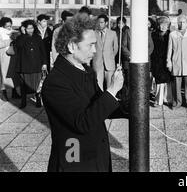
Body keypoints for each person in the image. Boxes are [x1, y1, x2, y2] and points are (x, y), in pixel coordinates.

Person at [42, 13, 126, 172]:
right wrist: (112, 89)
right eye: (90, 45)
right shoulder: (55, 83)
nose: (95, 50)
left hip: (96, 155)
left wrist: (130, 105)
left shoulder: (86, 71)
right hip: (75, 161)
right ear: (72, 46)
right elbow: (82, 122)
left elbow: (99, 107)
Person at [15, 20, 48, 108]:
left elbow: (43, 51)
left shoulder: (38, 37)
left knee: (37, 83)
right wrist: (23, 34)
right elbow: (19, 46)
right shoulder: (20, 38)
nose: (30, 30)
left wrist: (44, 63)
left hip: (36, 64)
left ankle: (38, 99)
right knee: (24, 84)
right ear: (24, 29)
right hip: (24, 65)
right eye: (28, 28)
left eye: (32, 28)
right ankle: (23, 101)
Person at [167, 15, 187, 108]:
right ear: (177, 23)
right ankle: (177, 103)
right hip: (177, 63)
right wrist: (169, 62)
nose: (182, 24)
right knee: (176, 85)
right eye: (180, 22)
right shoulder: (172, 34)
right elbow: (169, 50)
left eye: (184, 22)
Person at [92, 15, 118, 90]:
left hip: (109, 63)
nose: (100, 24)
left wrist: (110, 57)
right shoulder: (94, 33)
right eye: (98, 23)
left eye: (102, 22)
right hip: (97, 63)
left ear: (106, 23)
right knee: (98, 86)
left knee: (110, 86)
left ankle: (109, 101)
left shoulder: (112, 33)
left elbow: (115, 48)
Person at [151, 16, 172, 106]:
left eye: (165, 24)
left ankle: (167, 99)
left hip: (167, 60)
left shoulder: (171, 34)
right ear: (158, 25)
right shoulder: (153, 35)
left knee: (168, 80)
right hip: (157, 60)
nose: (163, 26)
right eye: (161, 24)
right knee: (158, 80)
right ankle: (158, 100)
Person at [0, 17, 15, 100]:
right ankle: (4, 93)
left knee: (13, 75)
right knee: (4, 75)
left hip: (12, 56)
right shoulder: (0, 32)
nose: (9, 28)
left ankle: (14, 92)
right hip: (4, 57)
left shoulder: (12, 32)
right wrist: (10, 40)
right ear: (2, 26)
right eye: (7, 26)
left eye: (10, 26)